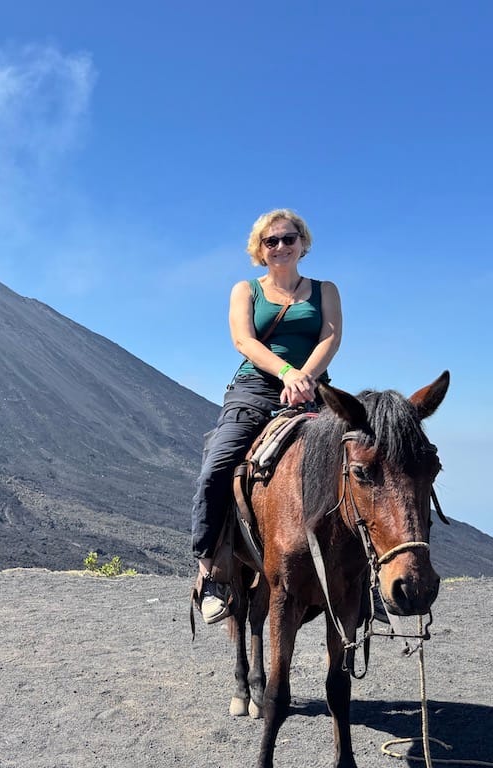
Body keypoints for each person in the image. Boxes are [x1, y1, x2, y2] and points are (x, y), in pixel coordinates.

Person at [192, 209, 342, 624]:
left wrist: (305, 378)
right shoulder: (246, 290)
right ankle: (212, 574)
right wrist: (286, 373)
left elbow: (331, 337)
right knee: (217, 468)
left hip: (313, 388)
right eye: (270, 241)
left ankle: (366, 577)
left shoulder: (324, 289)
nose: (280, 246)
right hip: (255, 389)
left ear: (302, 242)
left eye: (288, 238)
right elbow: (243, 339)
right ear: (259, 249)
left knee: (365, 463)